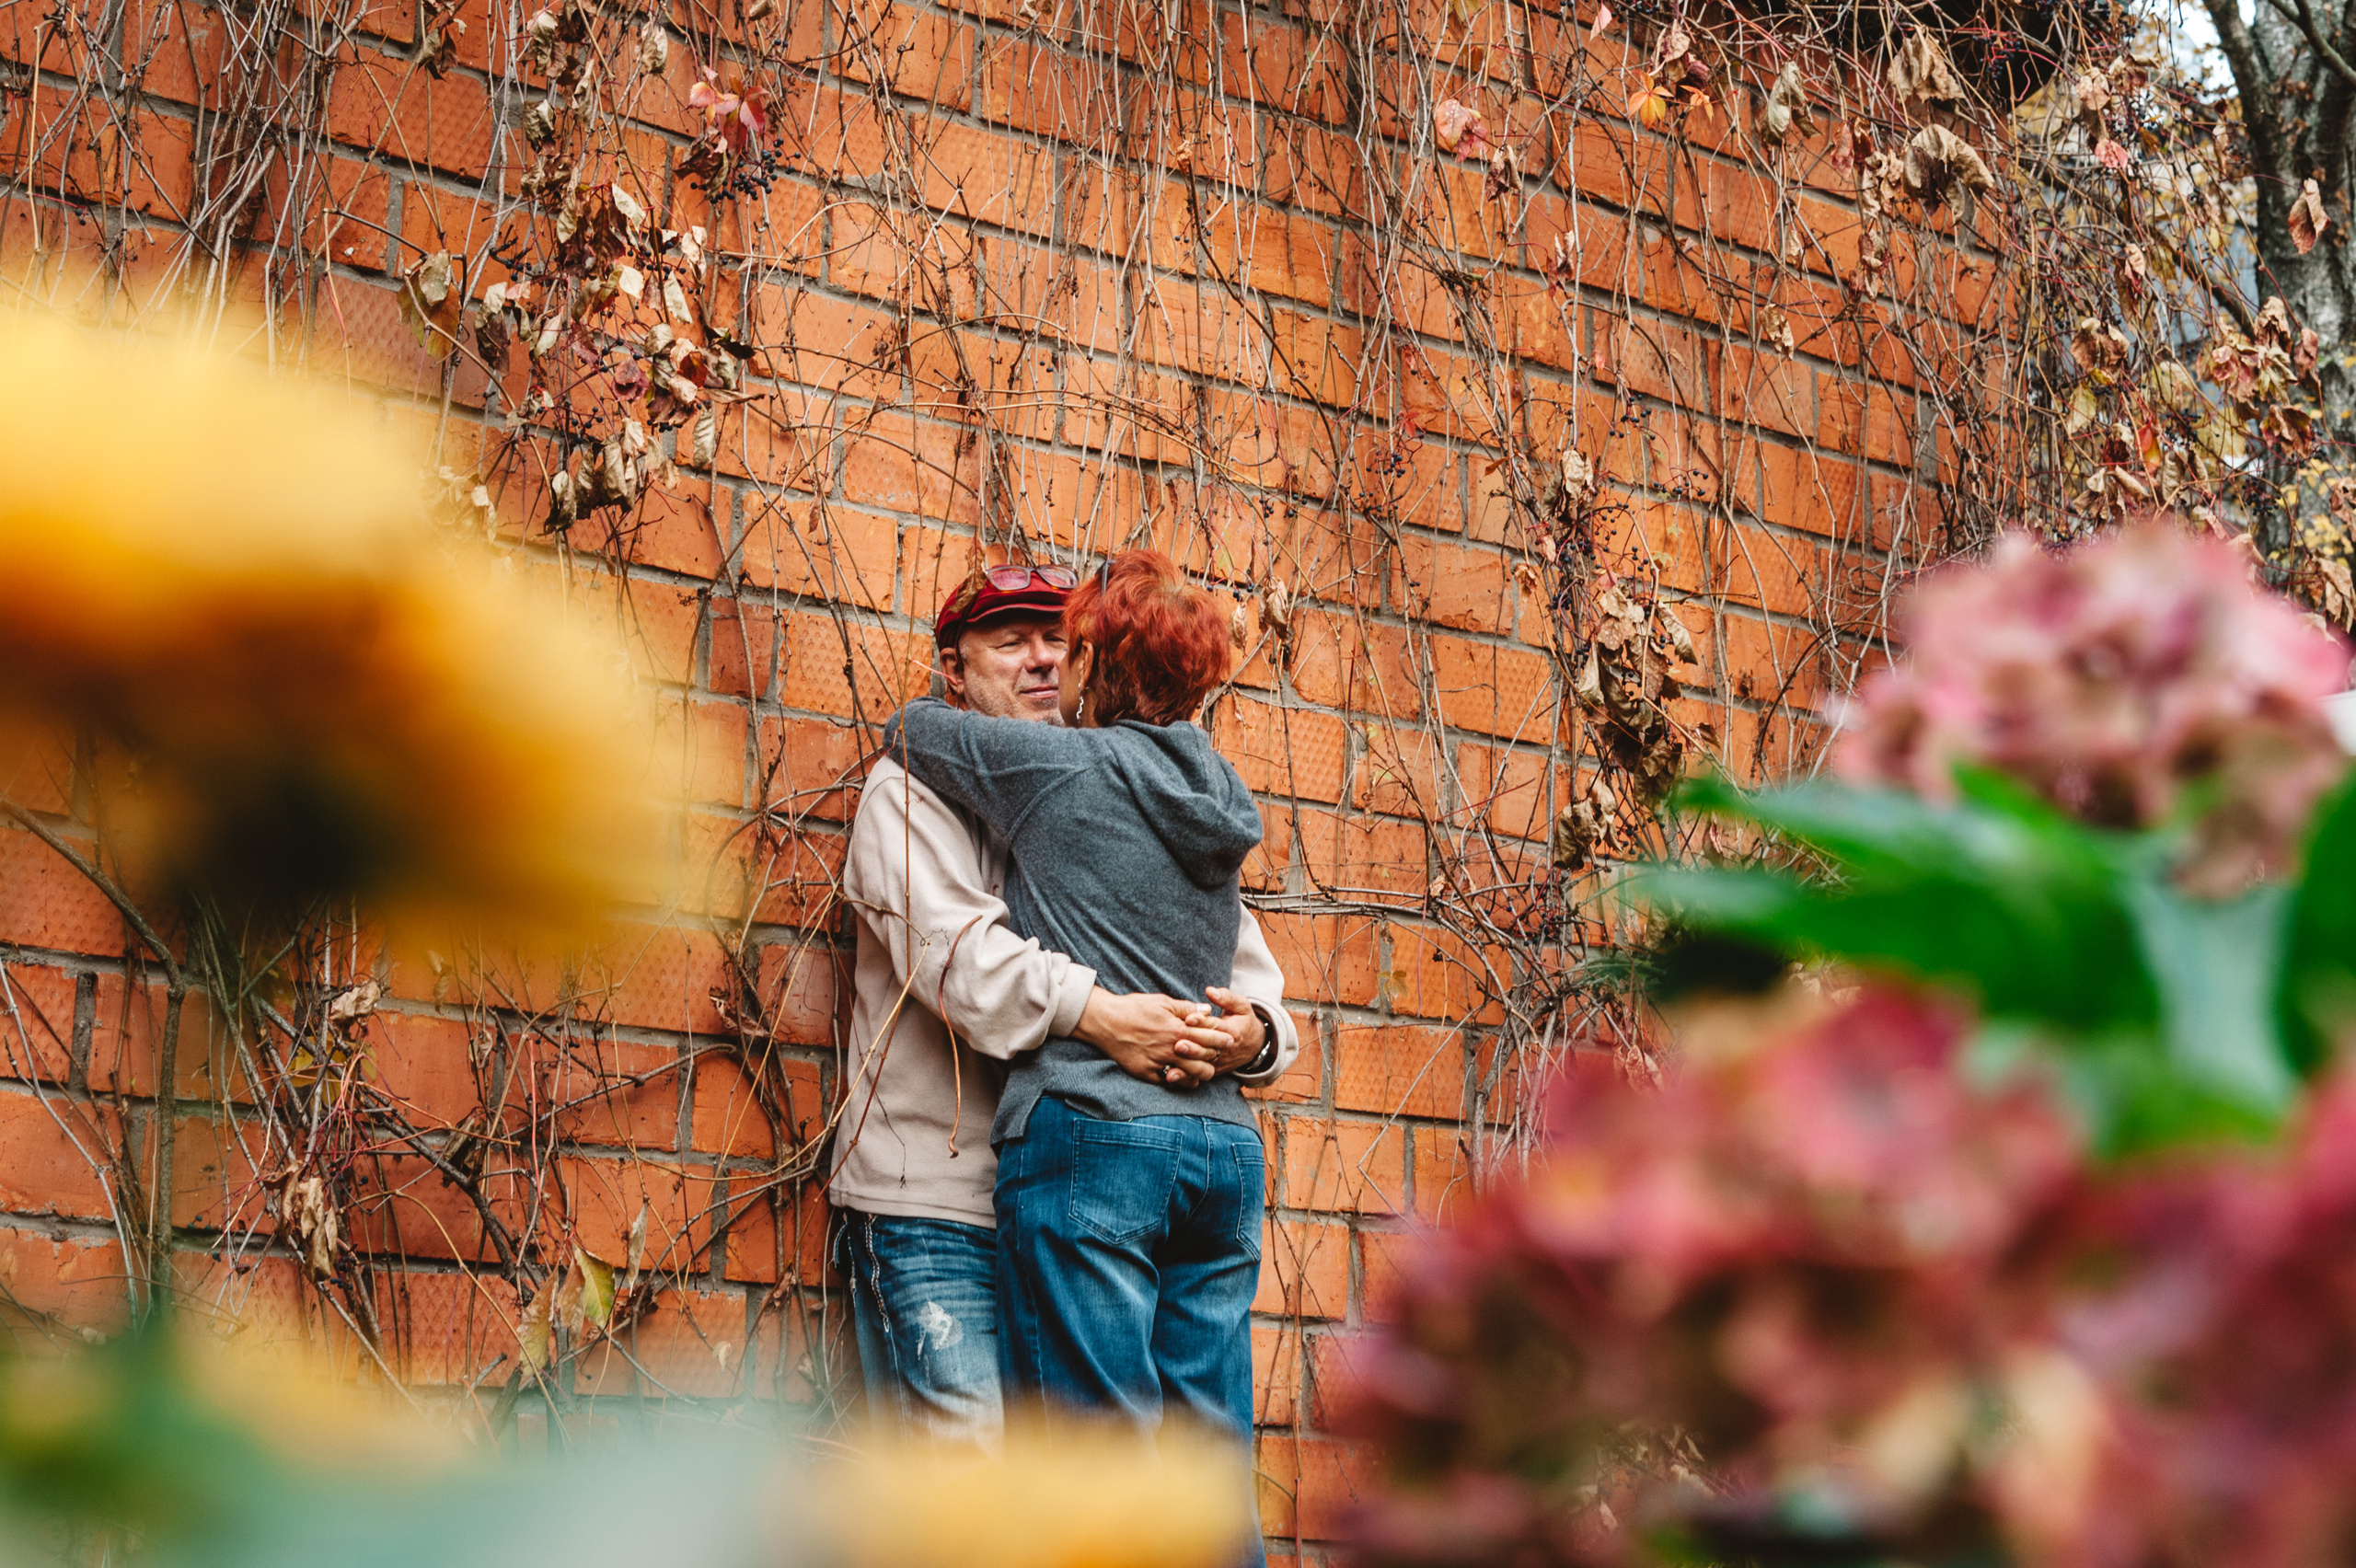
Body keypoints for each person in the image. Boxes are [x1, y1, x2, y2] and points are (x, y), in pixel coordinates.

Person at [828, 561, 1299, 1457]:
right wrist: (1105, 1015)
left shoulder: (1115, 788)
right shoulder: (906, 794)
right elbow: (960, 961)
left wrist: (1254, 1033)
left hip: (1082, 1183)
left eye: (1056, 641)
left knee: (1103, 1486)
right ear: (955, 673)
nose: (1041, 661)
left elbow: (1240, 963)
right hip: (938, 1202)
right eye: (1009, 644)